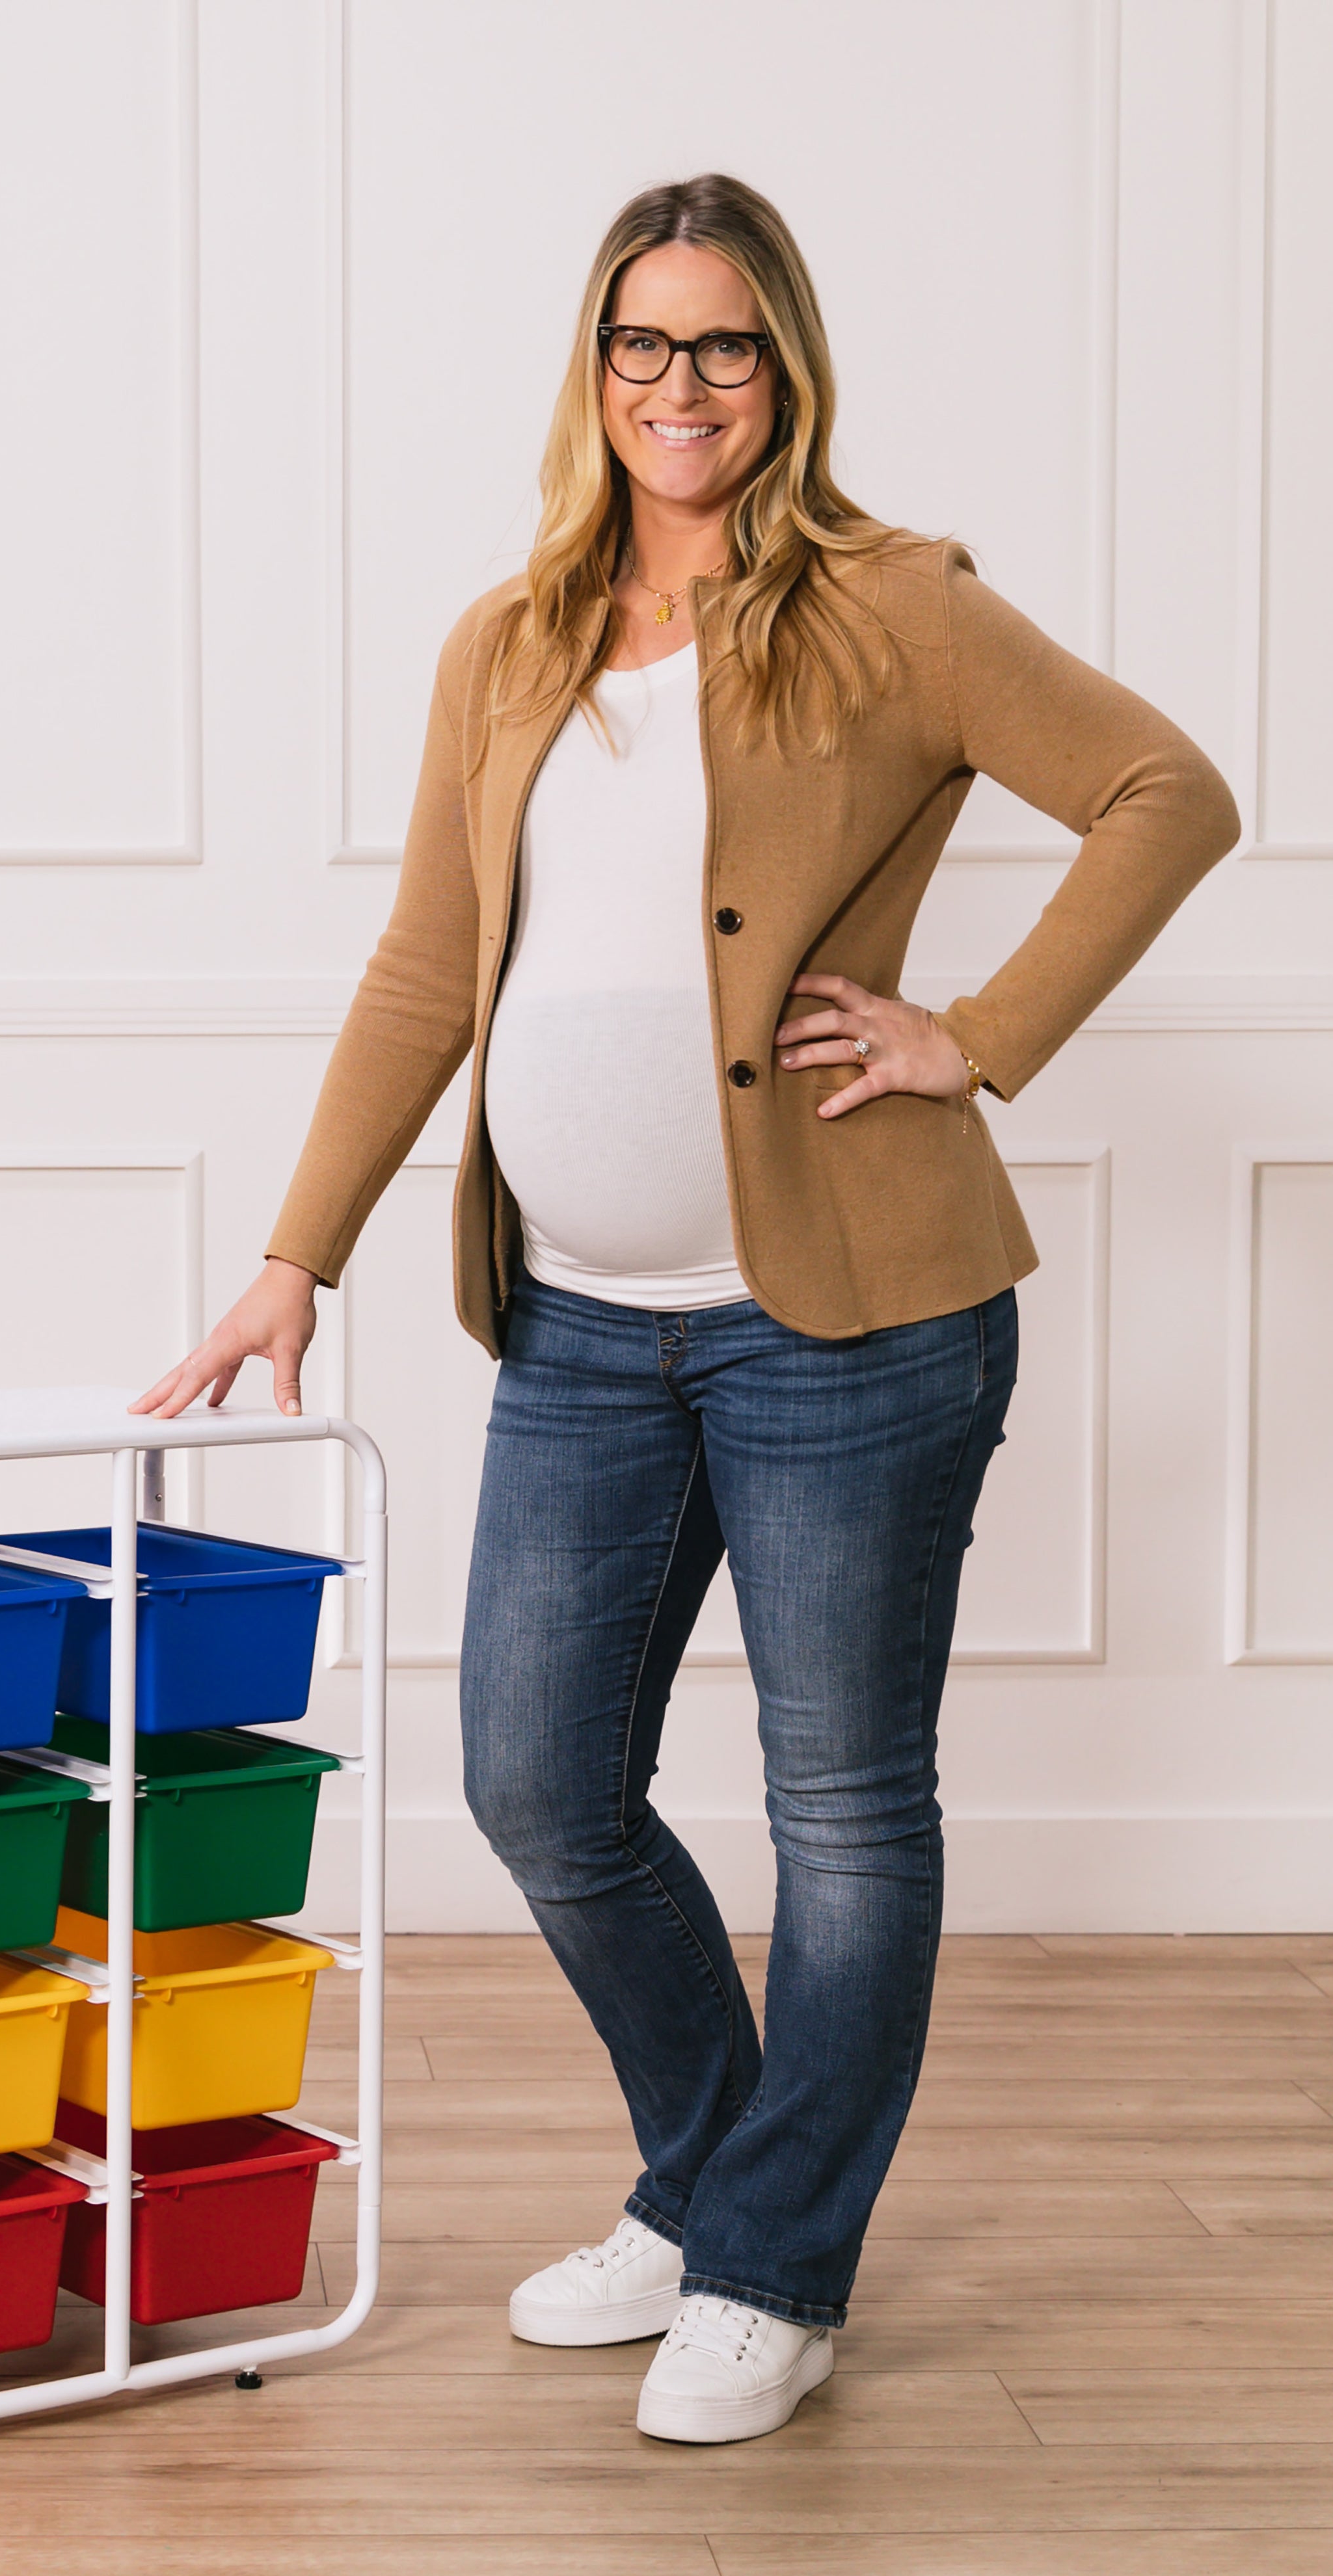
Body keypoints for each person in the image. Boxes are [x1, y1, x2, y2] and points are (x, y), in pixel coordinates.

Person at [135, 172, 1237, 2444]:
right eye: (642, 348)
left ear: (787, 368)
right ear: (595, 369)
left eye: (724, 348)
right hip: (581, 1327)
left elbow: (1164, 791)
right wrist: (293, 1252)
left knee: (842, 1805)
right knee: (538, 1779)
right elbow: (436, 965)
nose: (681, 389)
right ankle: (726, 2180)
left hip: (850, 1320)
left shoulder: (895, 606)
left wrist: (979, 1031)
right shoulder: (513, 636)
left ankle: (773, 2260)